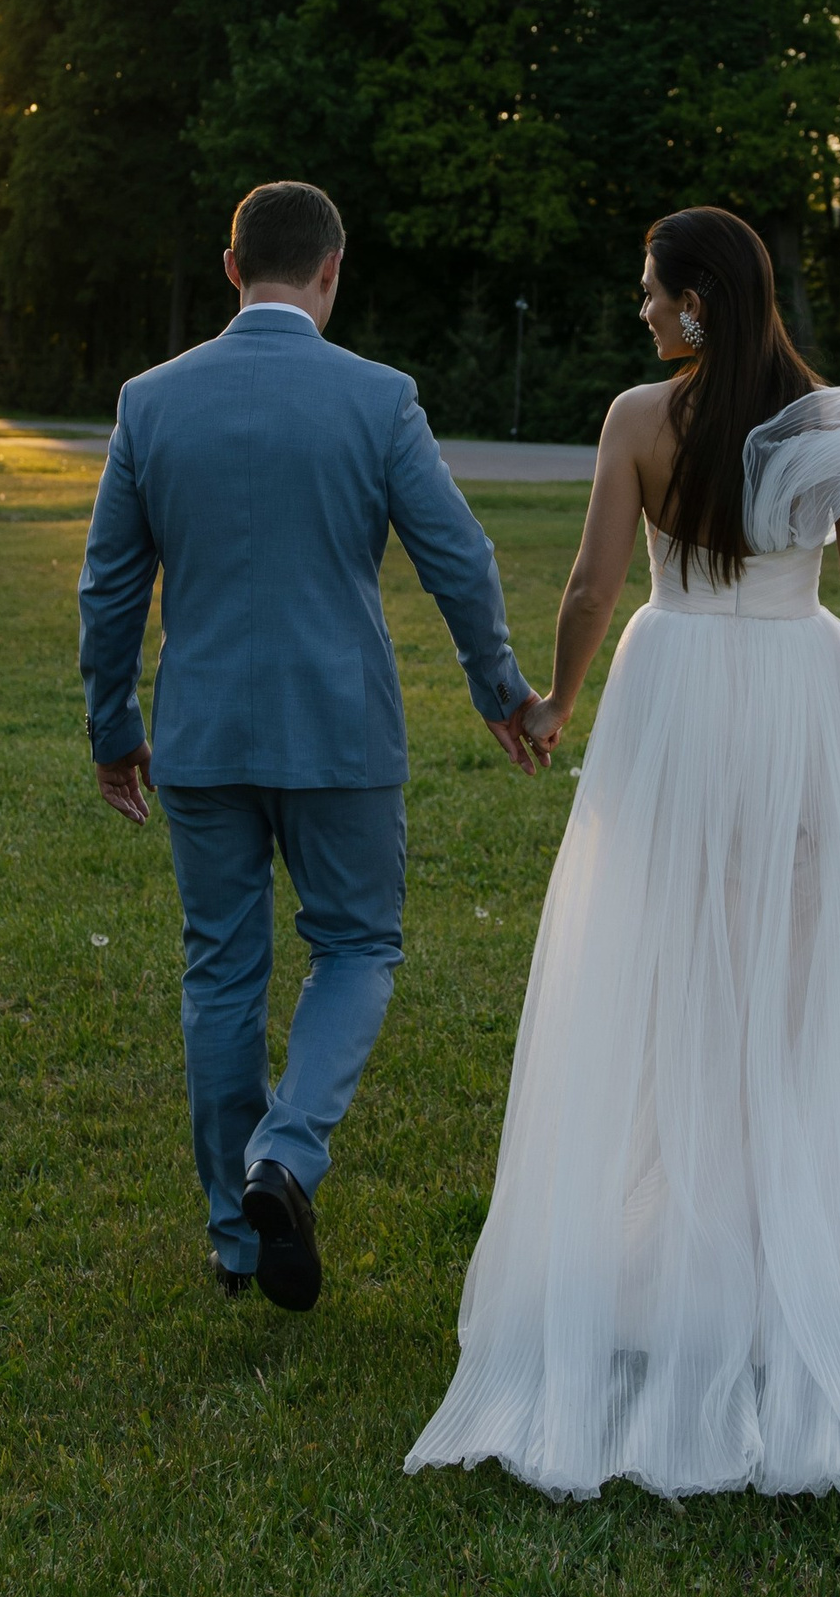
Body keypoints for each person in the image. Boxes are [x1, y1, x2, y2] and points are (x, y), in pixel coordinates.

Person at [406, 205, 840, 1513]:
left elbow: (592, 584)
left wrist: (558, 701)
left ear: (697, 300)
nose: (642, 309)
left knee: (681, 983)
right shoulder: (838, 429)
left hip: (678, 701)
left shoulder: (638, 420)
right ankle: (783, 1254)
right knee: (798, 990)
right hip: (799, 699)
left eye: (653, 291)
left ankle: (698, 1249)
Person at [79, 179, 540, 1310]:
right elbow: (460, 557)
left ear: (231, 268)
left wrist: (114, 727)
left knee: (221, 969)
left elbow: (110, 583)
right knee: (358, 945)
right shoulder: (379, 398)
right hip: (342, 731)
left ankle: (237, 1241)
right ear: (332, 270)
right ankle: (284, 1155)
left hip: (201, 735)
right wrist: (497, 684)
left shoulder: (150, 399)